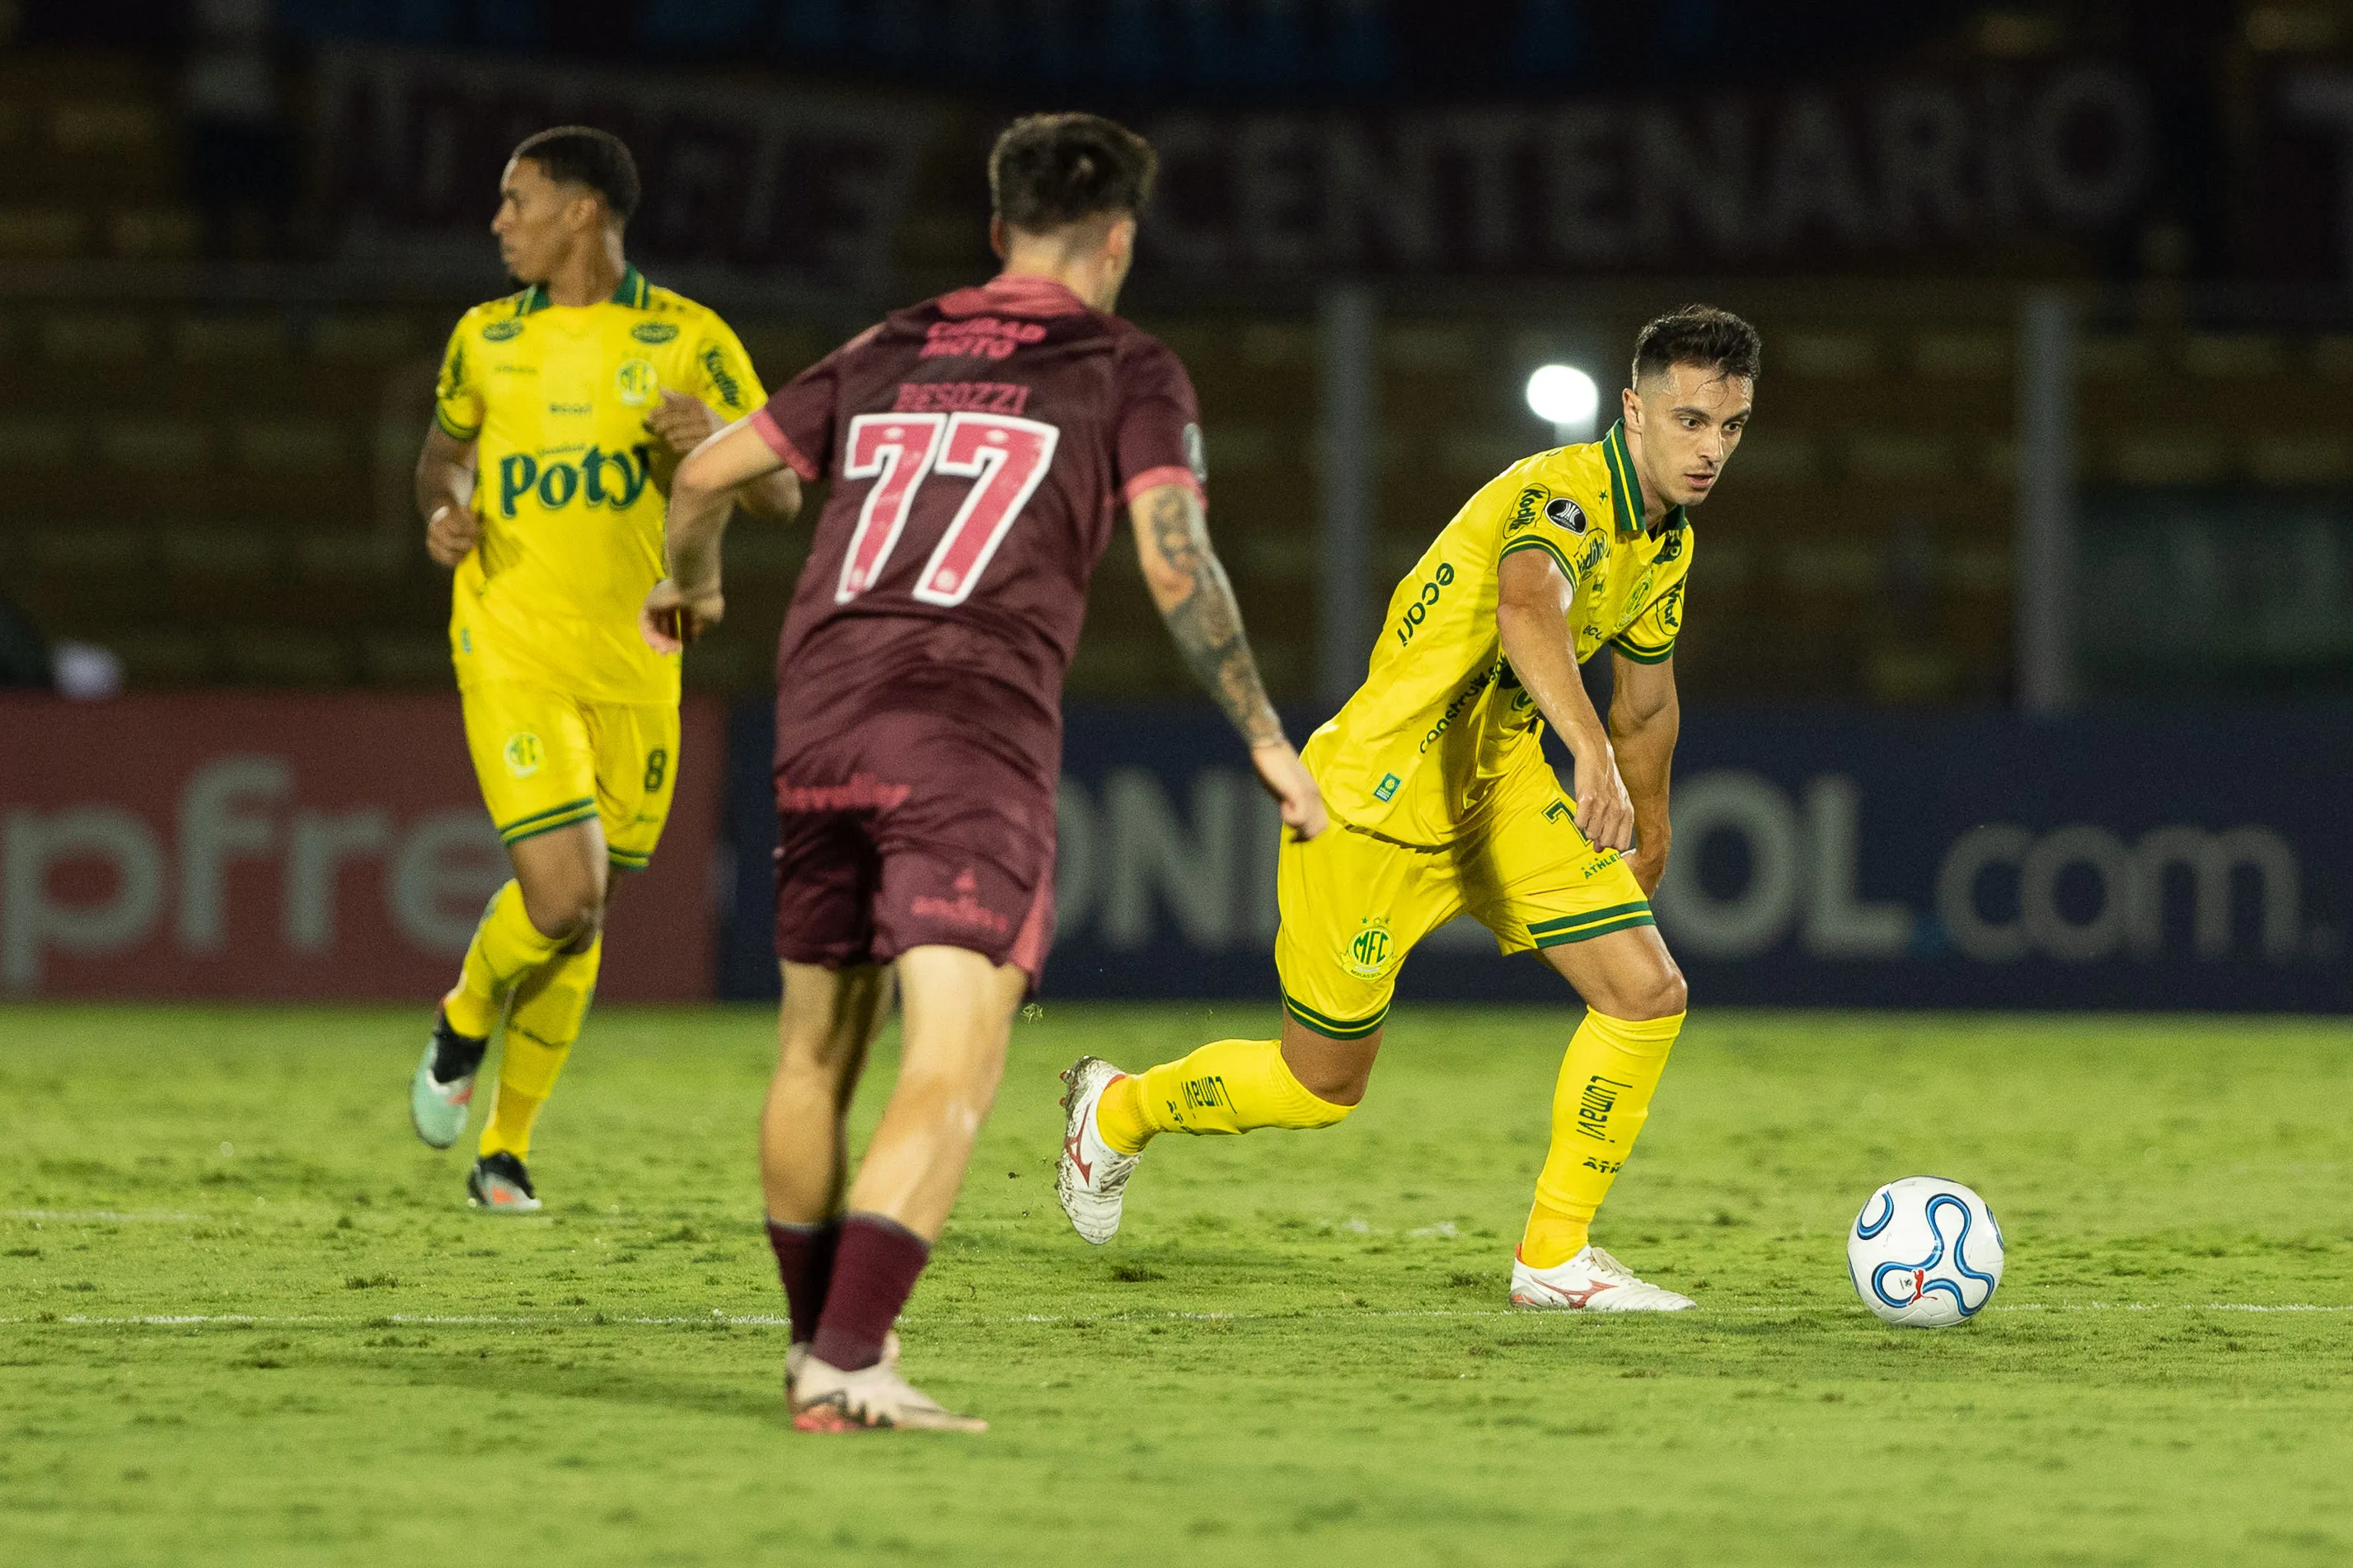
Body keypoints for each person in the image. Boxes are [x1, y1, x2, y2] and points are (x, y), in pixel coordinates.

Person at [643, 112, 1324, 1431]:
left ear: (997, 230)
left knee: (812, 1053)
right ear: (1118, 239)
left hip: (820, 711)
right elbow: (1177, 562)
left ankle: (815, 1350)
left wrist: (691, 584)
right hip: (966, 731)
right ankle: (849, 1364)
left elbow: (710, 468)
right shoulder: (1125, 367)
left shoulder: (889, 342)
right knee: (954, 1053)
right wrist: (1256, 729)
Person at [1057, 307, 1761, 1313]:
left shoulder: (1665, 543)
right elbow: (1529, 610)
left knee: (1645, 992)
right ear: (1632, 409)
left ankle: (1553, 1257)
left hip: (1499, 786)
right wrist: (1590, 755)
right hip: (1374, 801)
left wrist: (1651, 821)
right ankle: (1118, 1110)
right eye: (1689, 420)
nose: (1709, 450)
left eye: (1730, 428)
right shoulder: (1559, 494)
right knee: (1319, 1088)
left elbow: (1643, 697)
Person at [406, 126, 789, 1212]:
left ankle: (505, 1150)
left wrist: (714, 432)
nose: (497, 222)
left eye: (514, 199)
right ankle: (465, 1014)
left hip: (640, 658)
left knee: (590, 910)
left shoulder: (685, 338)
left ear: (581, 210)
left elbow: (778, 493)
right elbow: (442, 452)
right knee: (563, 893)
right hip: (509, 641)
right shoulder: (483, 339)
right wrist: (445, 510)